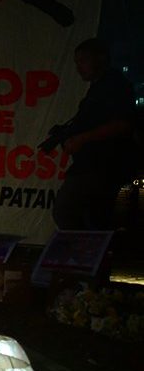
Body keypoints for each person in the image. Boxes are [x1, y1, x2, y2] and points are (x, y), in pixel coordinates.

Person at [51, 38, 136, 230]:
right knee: (90, 216)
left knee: (69, 211)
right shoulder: (101, 87)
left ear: (101, 58)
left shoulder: (113, 85)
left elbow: (122, 124)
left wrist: (81, 138)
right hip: (96, 165)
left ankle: (87, 255)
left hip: (102, 165)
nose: (79, 67)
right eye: (77, 62)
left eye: (83, 60)